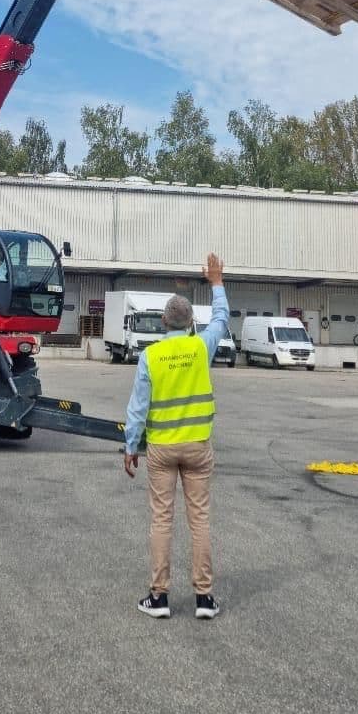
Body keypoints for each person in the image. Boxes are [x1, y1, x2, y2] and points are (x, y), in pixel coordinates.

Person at [124, 252, 230, 620]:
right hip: (198, 447)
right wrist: (216, 283)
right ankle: (204, 598)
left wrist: (130, 446)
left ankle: (159, 597)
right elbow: (221, 318)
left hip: (161, 449)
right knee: (199, 520)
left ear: (163, 321)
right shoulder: (202, 346)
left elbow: (138, 407)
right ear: (190, 323)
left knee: (161, 520)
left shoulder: (151, 356)